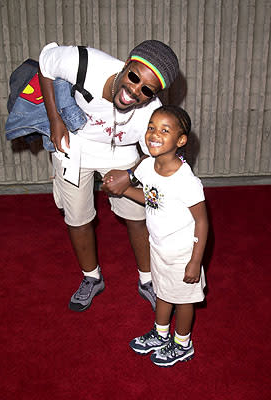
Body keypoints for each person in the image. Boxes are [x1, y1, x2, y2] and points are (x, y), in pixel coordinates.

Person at [38, 40, 179, 312]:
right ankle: (92, 278)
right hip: (75, 144)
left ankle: (147, 281)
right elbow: (45, 64)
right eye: (134, 77)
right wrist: (55, 120)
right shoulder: (86, 64)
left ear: (153, 95)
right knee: (78, 219)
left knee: (137, 218)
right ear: (126, 65)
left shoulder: (153, 114)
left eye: (146, 90)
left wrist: (129, 174)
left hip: (122, 154)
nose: (134, 91)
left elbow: (156, 158)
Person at [103, 105, 208, 367]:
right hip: (158, 247)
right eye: (151, 127)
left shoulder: (187, 181)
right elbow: (152, 199)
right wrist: (122, 190)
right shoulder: (148, 166)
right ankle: (160, 335)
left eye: (164, 130)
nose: (154, 134)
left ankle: (183, 343)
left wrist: (195, 261)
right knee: (162, 293)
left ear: (180, 140)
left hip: (183, 253)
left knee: (184, 301)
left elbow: (202, 221)